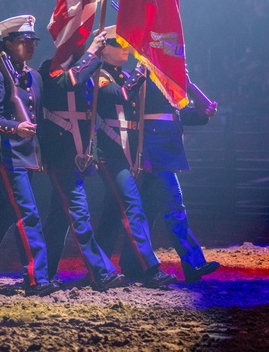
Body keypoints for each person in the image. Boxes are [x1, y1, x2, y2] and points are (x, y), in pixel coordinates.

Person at [0, 15, 60, 297]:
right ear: (7, 44)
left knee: (0, 219)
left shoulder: (34, 78)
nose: (30, 46)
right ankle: (36, 279)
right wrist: (16, 127)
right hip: (6, 156)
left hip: (26, 156)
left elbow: (37, 116)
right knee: (28, 214)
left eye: (32, 41)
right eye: (23, 41)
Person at [89, 26, 176, 288]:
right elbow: (121, 94)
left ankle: (97, 270)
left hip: (128, 154)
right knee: (132, 207)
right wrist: (142, 67)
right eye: (119, 43)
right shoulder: (99, 75)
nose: (126, 47)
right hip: (110, 153)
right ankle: (149, 269)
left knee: (112, 215)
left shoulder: (123, 75)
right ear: (104, 49)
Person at [38, 34, 126, 291]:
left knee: (59, 220)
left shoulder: (88, 69)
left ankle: (42, 273)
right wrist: (92, 53)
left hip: (78, 155)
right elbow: (70, 83)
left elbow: (89, 117)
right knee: (79, 213)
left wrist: (93, 153)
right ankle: (101, 272)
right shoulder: (50, 68)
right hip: (60, 154)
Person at [129, 68, 221, 283]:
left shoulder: (169, 84)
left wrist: (188, 84)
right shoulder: (144, 79)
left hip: (165, 155)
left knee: (146, 214)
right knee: (175, 208)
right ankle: (194, 262)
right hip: (156, 157)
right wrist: (145, 156)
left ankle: (131, 264)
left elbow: (195, 114)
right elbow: (139, 121)